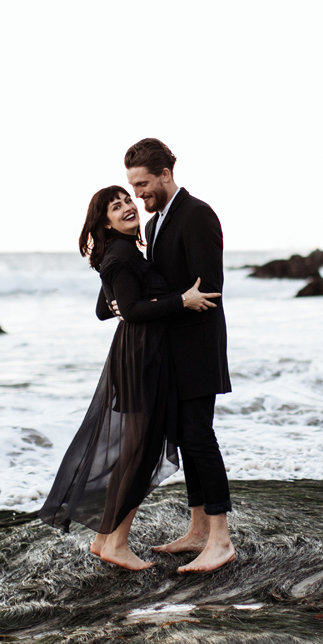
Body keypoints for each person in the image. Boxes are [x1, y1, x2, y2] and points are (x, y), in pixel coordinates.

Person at [38, 185, 219, 570]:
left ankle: (106, 539)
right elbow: (131, 310)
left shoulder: (122, 252)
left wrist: (125, 303)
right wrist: (178, 301)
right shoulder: (121, 254)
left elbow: (106, 309)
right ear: (103, 221)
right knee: (140, 451)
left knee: (136, 449)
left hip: (140, 354)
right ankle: (116, 542)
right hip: (140, 358)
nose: (126, 206)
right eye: (114, 206)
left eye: (126, 200)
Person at [105, 138, 237, 573]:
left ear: (165, 174)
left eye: (142, 184)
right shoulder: (159, 220)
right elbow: (152, 285)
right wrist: (119, 302)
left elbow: (207, 292)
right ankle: (198, 530)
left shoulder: (196, 215)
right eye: (132, 185)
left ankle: (220, 540)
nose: (138, 194)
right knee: (185, 437)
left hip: (196, 349)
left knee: (199, 437)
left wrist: (161, 309)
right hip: (171, 354)